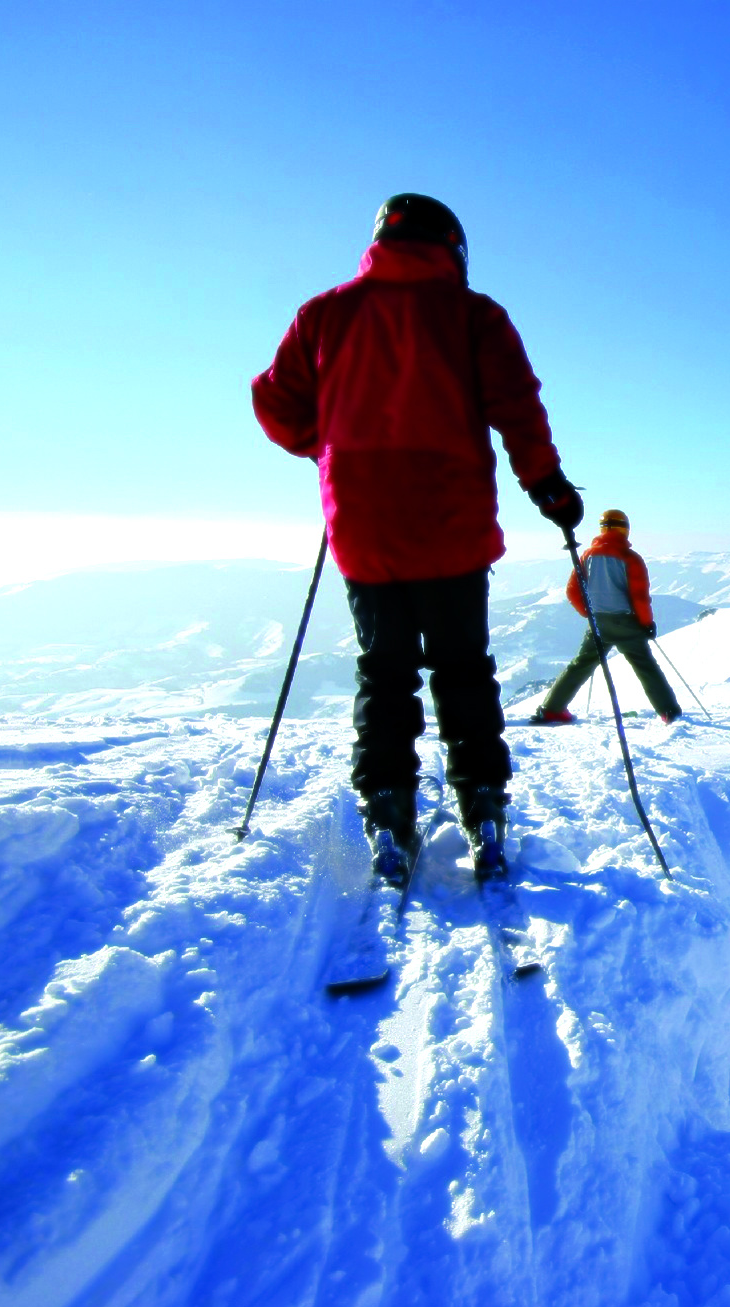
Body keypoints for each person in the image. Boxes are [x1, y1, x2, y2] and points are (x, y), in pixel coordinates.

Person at [250, 192, 584, 880]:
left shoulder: (323, 314)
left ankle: (387, 810)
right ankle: (483, 806)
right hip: (451, 522)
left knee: (385, 670)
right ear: (452, 248)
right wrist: (549, 488)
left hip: (364, 525)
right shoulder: (474, 316)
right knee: (464, 669)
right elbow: (517, 408)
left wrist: (327, 445)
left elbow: (273, 399)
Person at [535, 509, 682, 725]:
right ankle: (668, 711)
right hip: (626, 622)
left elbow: (573, 591)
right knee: (645, 666)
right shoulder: (630, 559)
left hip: (598, 623)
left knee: (580, 664)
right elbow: (640, 597)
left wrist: (590, 613)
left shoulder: (587, 556)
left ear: (602, 529)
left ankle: (551, 709)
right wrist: (646, 623)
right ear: (625, 529)